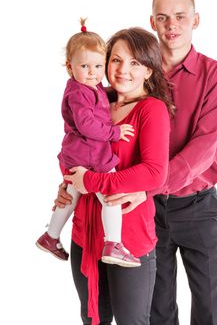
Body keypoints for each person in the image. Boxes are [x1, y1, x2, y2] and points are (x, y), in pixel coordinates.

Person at [55, 27, 174, 325]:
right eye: (116, 60)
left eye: (135, 63)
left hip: (129, 238)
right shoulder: (94, 99)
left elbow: (154, 172)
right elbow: (72, 149)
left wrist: (90, 182)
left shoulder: (151, 110)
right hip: (86, 233)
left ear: (149, 70)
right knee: (93, 318)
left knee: (131, 321)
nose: (123, 70)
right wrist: (69, 182)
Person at [36, 18, 141, 267]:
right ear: (70, 67)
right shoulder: (78, 93)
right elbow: (87, 125)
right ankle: (113, 243)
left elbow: (101, 100)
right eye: (85, 66)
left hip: (78, 154)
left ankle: (51, 235)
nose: (93, 72)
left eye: (97, 65)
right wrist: (114, 133)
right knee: (111, 193)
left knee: (72, 192)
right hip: (90, 155)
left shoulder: (90, 87)